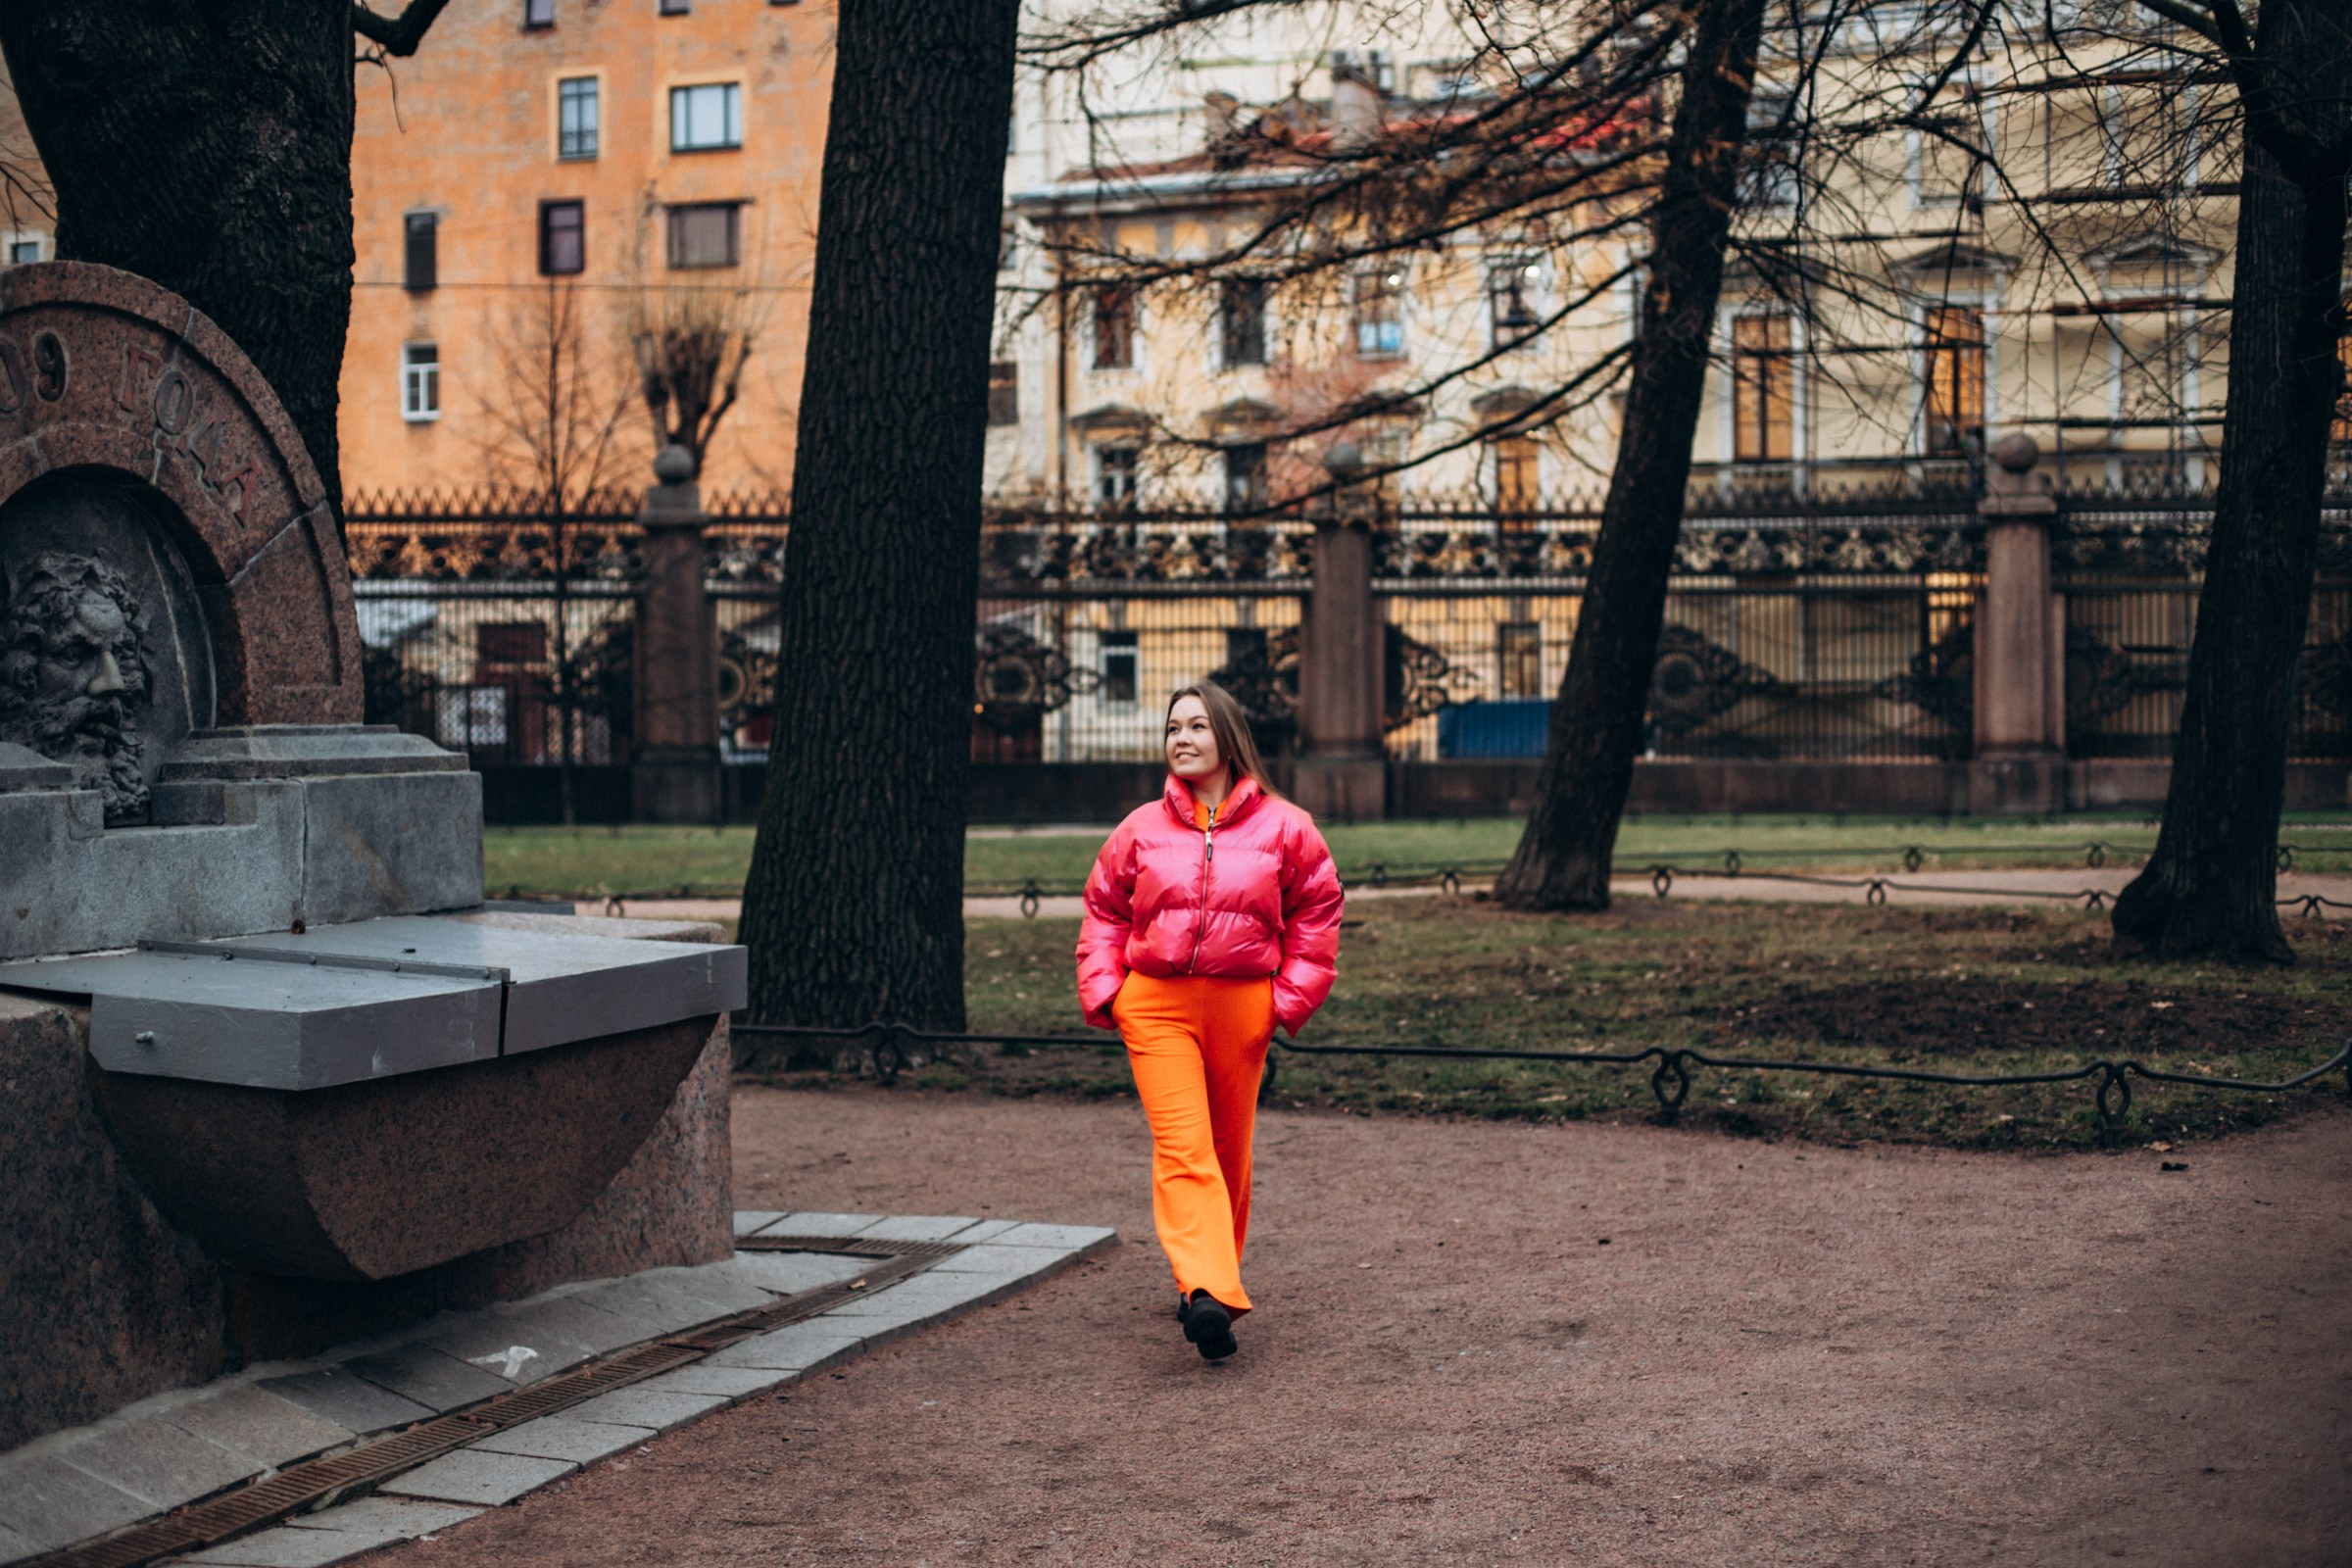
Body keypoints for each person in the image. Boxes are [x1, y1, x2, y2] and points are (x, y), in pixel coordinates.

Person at [1075, 681, 1344, 1361]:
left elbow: (1317, 912)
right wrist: (1110, 993)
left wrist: (1286, 1000)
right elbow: (1104, 909)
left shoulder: (1287, 826)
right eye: (1173, 728)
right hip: (1155, 1004)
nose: (1182, 739)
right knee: (1183, 1147)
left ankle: (1208, 1280)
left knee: (1228, 1153)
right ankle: (1207, 1292)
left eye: (1197, 726)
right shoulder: (1140, 827)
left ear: (1228, 737)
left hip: (1243, 1003)